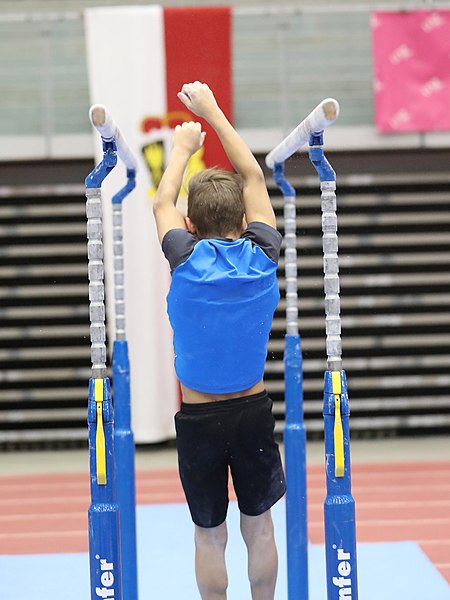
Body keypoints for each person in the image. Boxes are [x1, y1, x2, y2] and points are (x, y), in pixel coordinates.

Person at [152, 81, 286, 600]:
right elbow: (251, 174)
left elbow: (163, 199)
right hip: (252, 409)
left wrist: (182, 148)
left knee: (210, 535)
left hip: (200, 418)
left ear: (190, 226)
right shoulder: (264, 254)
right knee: (259, 529)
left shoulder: (184, 259)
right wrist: (212, 111)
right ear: (244, 221)